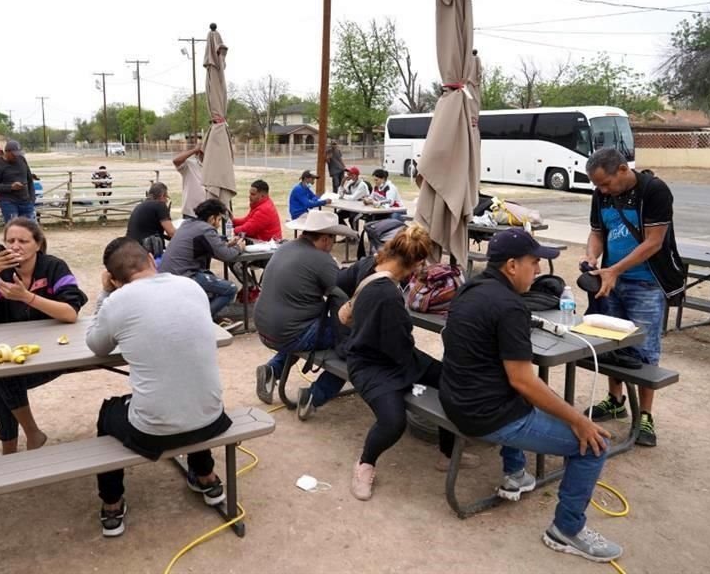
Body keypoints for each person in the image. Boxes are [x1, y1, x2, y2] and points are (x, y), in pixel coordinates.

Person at [439, 228, 623, 563]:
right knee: (594, 445)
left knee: (523, 394)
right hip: (484, 414)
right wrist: (579, 420)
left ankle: (515, 474)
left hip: (456, 396)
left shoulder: (471, 288)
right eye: (534, 263)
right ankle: (566, 530)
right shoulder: (509, 306)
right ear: (512, 265)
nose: (538, 271)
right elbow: (523, 381)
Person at [86, 237, 233, 537]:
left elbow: (96, 346)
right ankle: (206, 476)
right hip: (213, 417)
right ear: (152, 260)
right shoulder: (192, 287)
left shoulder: (117, 300)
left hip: (153, 432)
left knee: (108, 411)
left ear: (115, 280)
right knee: (184, 386)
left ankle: (112, 504)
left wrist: (105, 293)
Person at [346, 225, 477, 501]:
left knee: (449, 380)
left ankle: (447, 452)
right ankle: (365, 464)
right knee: (393, 421)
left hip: (389, 356)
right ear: (416, 262)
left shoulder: (370, 266)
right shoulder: (388, 295)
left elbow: (338, 281)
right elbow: (398, 348)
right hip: (372, 365)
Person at [582, 148, 684, 447]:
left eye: (605, 184)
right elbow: (597, 232)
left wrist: (614, 270)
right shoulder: (600, 194)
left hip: (647, 283)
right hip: (612, 280)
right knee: (611, 343)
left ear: (623, 170)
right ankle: (615, 400)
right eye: (597, 186)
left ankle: (646, 415)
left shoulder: (654, 191)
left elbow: (654, 243)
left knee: (644, 350)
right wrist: (592, 256)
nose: (601, 190)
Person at [0, 217, 88, 454]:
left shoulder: (54, 267)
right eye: (10, 241)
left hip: (56, 353)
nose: (15, 246)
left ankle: (22, 441)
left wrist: (27, 297)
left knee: (0, 378)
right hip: (20, 356)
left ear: (37, 244)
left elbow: (70, 313)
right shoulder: (0, 274)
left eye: (23, 240)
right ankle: (16, 445)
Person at [253, 210, 357, 417]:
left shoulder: (285, 248)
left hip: (265, 326)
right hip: (291, 332)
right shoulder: (322, 259)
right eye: (333, 240)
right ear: (326, 239)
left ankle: (273, 369)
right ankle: (314, 395)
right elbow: (344, 294)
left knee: (301, 328)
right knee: (355, 342)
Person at [159, 199, 244, 328]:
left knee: (212, 281)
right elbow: (226, 255)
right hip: (184, 275)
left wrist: (226, 245)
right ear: (212, 219)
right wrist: (239, 248)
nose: (219, 224)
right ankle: (201, 321)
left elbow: (212, 246)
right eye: (219, 219)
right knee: (229, 288)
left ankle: (213, 318)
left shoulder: (187, 224)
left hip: (168, 273)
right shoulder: (206, 229)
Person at [0, 140, 36, 222]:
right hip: (9, 202)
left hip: (26, 201)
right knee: (13, 228)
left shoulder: (22, 160)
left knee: (30, 230)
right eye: (14, 154)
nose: (16, 157)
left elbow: (29, 179)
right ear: (7, 152)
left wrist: (32, 199)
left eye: (18, 154)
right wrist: (10, 187)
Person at [126, 182, 176, 253]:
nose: (166, 200)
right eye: (166, 197)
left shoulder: (140, 205)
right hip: (145, 251)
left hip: (130, 247)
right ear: (162, 196)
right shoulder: (160, 205)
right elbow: (171, 232)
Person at [173, 146, 205, 219]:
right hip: (191, 213)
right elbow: (176, 161)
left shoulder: (214, 167)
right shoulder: (190, 165)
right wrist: (194, 150)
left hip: (208, 213)